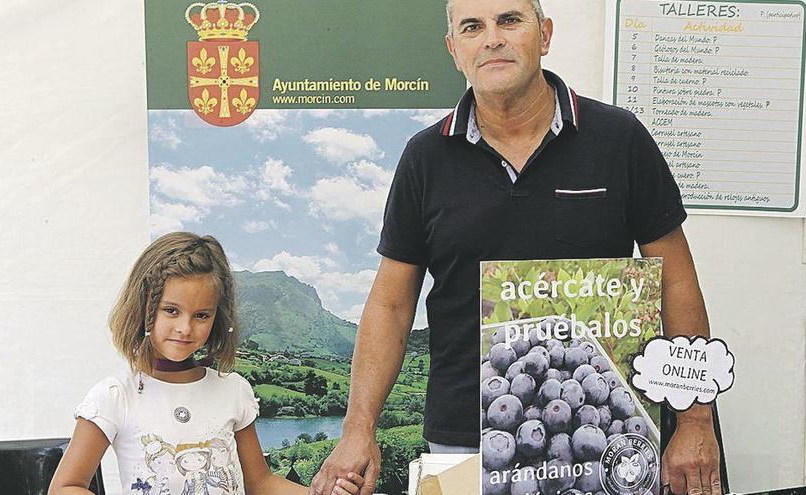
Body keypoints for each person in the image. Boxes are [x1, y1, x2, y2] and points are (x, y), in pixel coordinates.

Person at [309, 1, 725, 495]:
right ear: (454, 51)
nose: (492, 39)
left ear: (544, 35)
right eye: (472, 28)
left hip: (609, 437)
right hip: (463, 442)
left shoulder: (620, 139)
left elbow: (675, 279)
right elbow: (391, 304)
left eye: (509, 21)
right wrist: (358, 429)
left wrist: (695, 420)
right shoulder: (425, 158)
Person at [50, 232, 364, 495]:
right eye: (171, 310)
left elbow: (261, 483)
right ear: (143, 306)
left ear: (217, 318)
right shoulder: (115, 395)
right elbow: (66, 487)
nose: (185, 328)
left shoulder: (233, 390)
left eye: (201, 315)